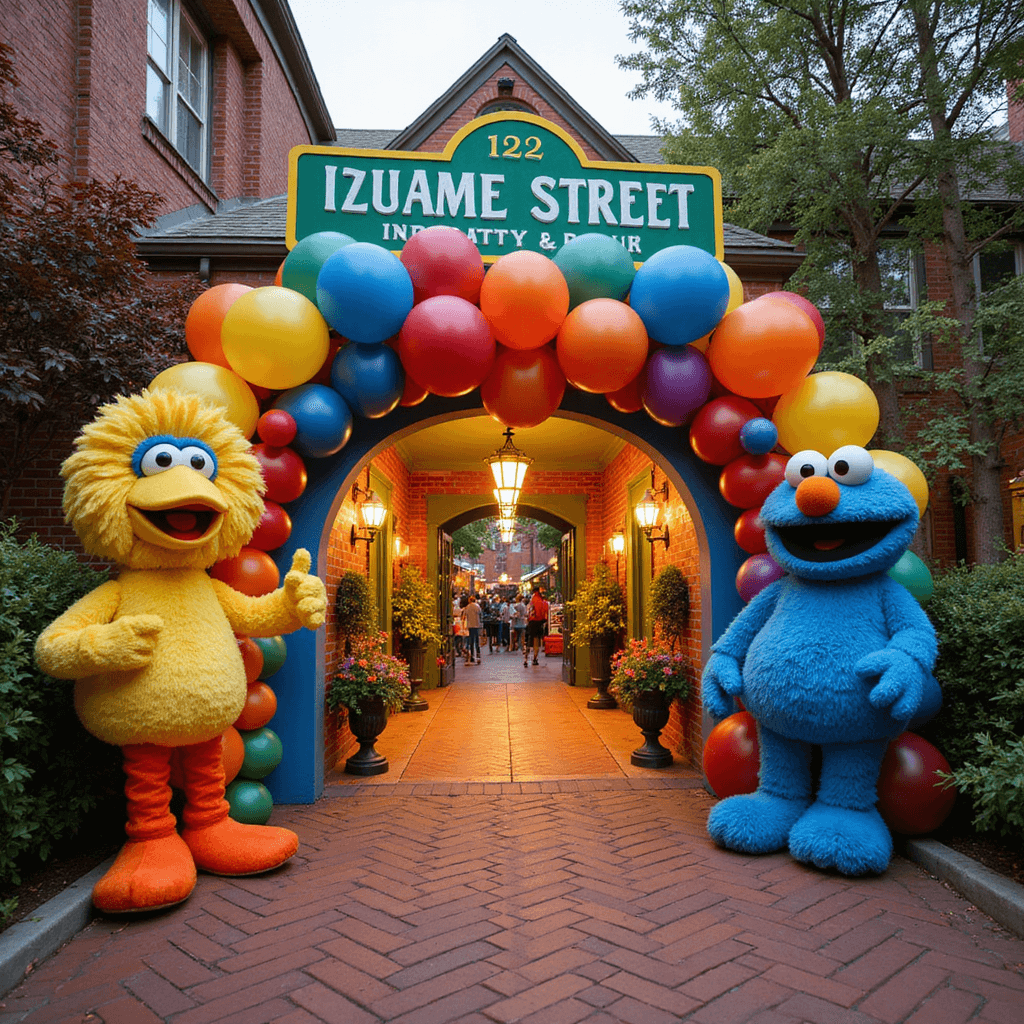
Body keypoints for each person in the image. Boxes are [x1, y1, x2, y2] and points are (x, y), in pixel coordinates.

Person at [525, 584, 549, 667]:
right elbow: (545, 611)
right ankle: (535, 658)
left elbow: (529, 611)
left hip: (532, 622)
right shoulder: (542, 601)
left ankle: (526, 658)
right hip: (540, 623)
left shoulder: (532, 600)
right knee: (536, 641)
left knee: (529, 640)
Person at [461, 592, 483, 664]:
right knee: (477, 641)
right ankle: (478, 655)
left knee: (471, 642)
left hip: (470, 626)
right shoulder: (477, 606)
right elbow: (480, 613)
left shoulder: (467, 607)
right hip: (476, 625)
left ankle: (472, 656)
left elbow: (464, 617)